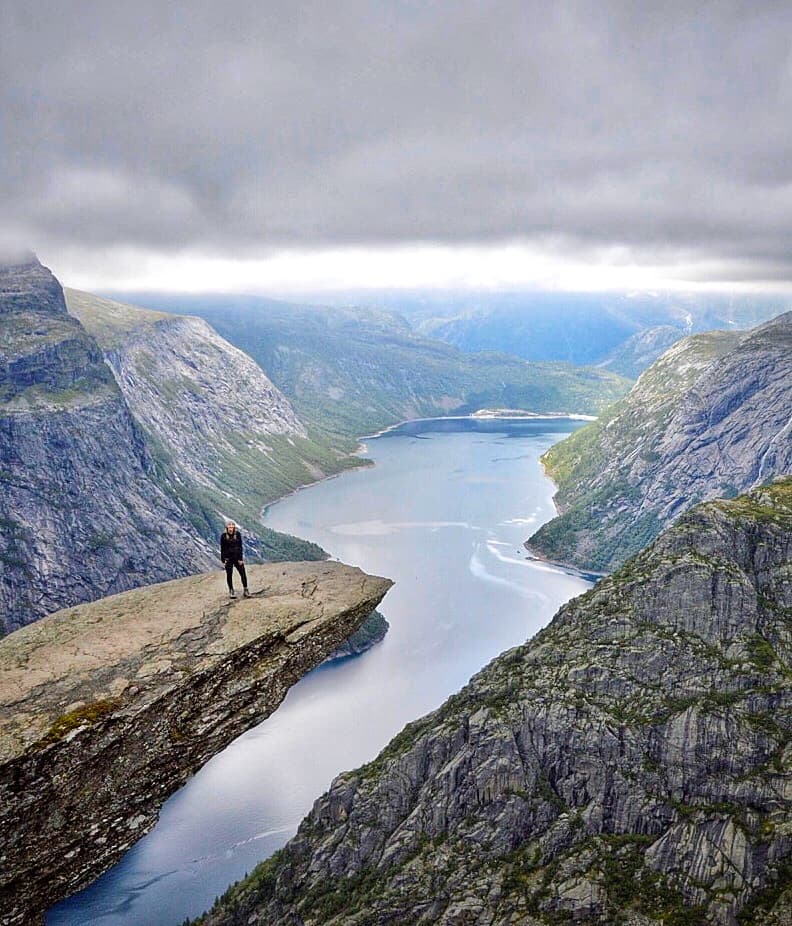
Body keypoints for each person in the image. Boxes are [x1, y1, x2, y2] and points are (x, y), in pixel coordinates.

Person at [220, 521, 250, 598]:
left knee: (243, 573)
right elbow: (222, 548)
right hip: (228, 558)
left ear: (234, 527)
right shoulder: (223, 536)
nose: (231, 526)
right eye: (229, 525)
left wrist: (240, 558)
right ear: (226, 527)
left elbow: (240, 546)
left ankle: (245, 589)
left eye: (232, 525)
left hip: (237, 558)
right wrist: (223, 560)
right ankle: (231, 590)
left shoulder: (237, 534)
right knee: (229, 575)